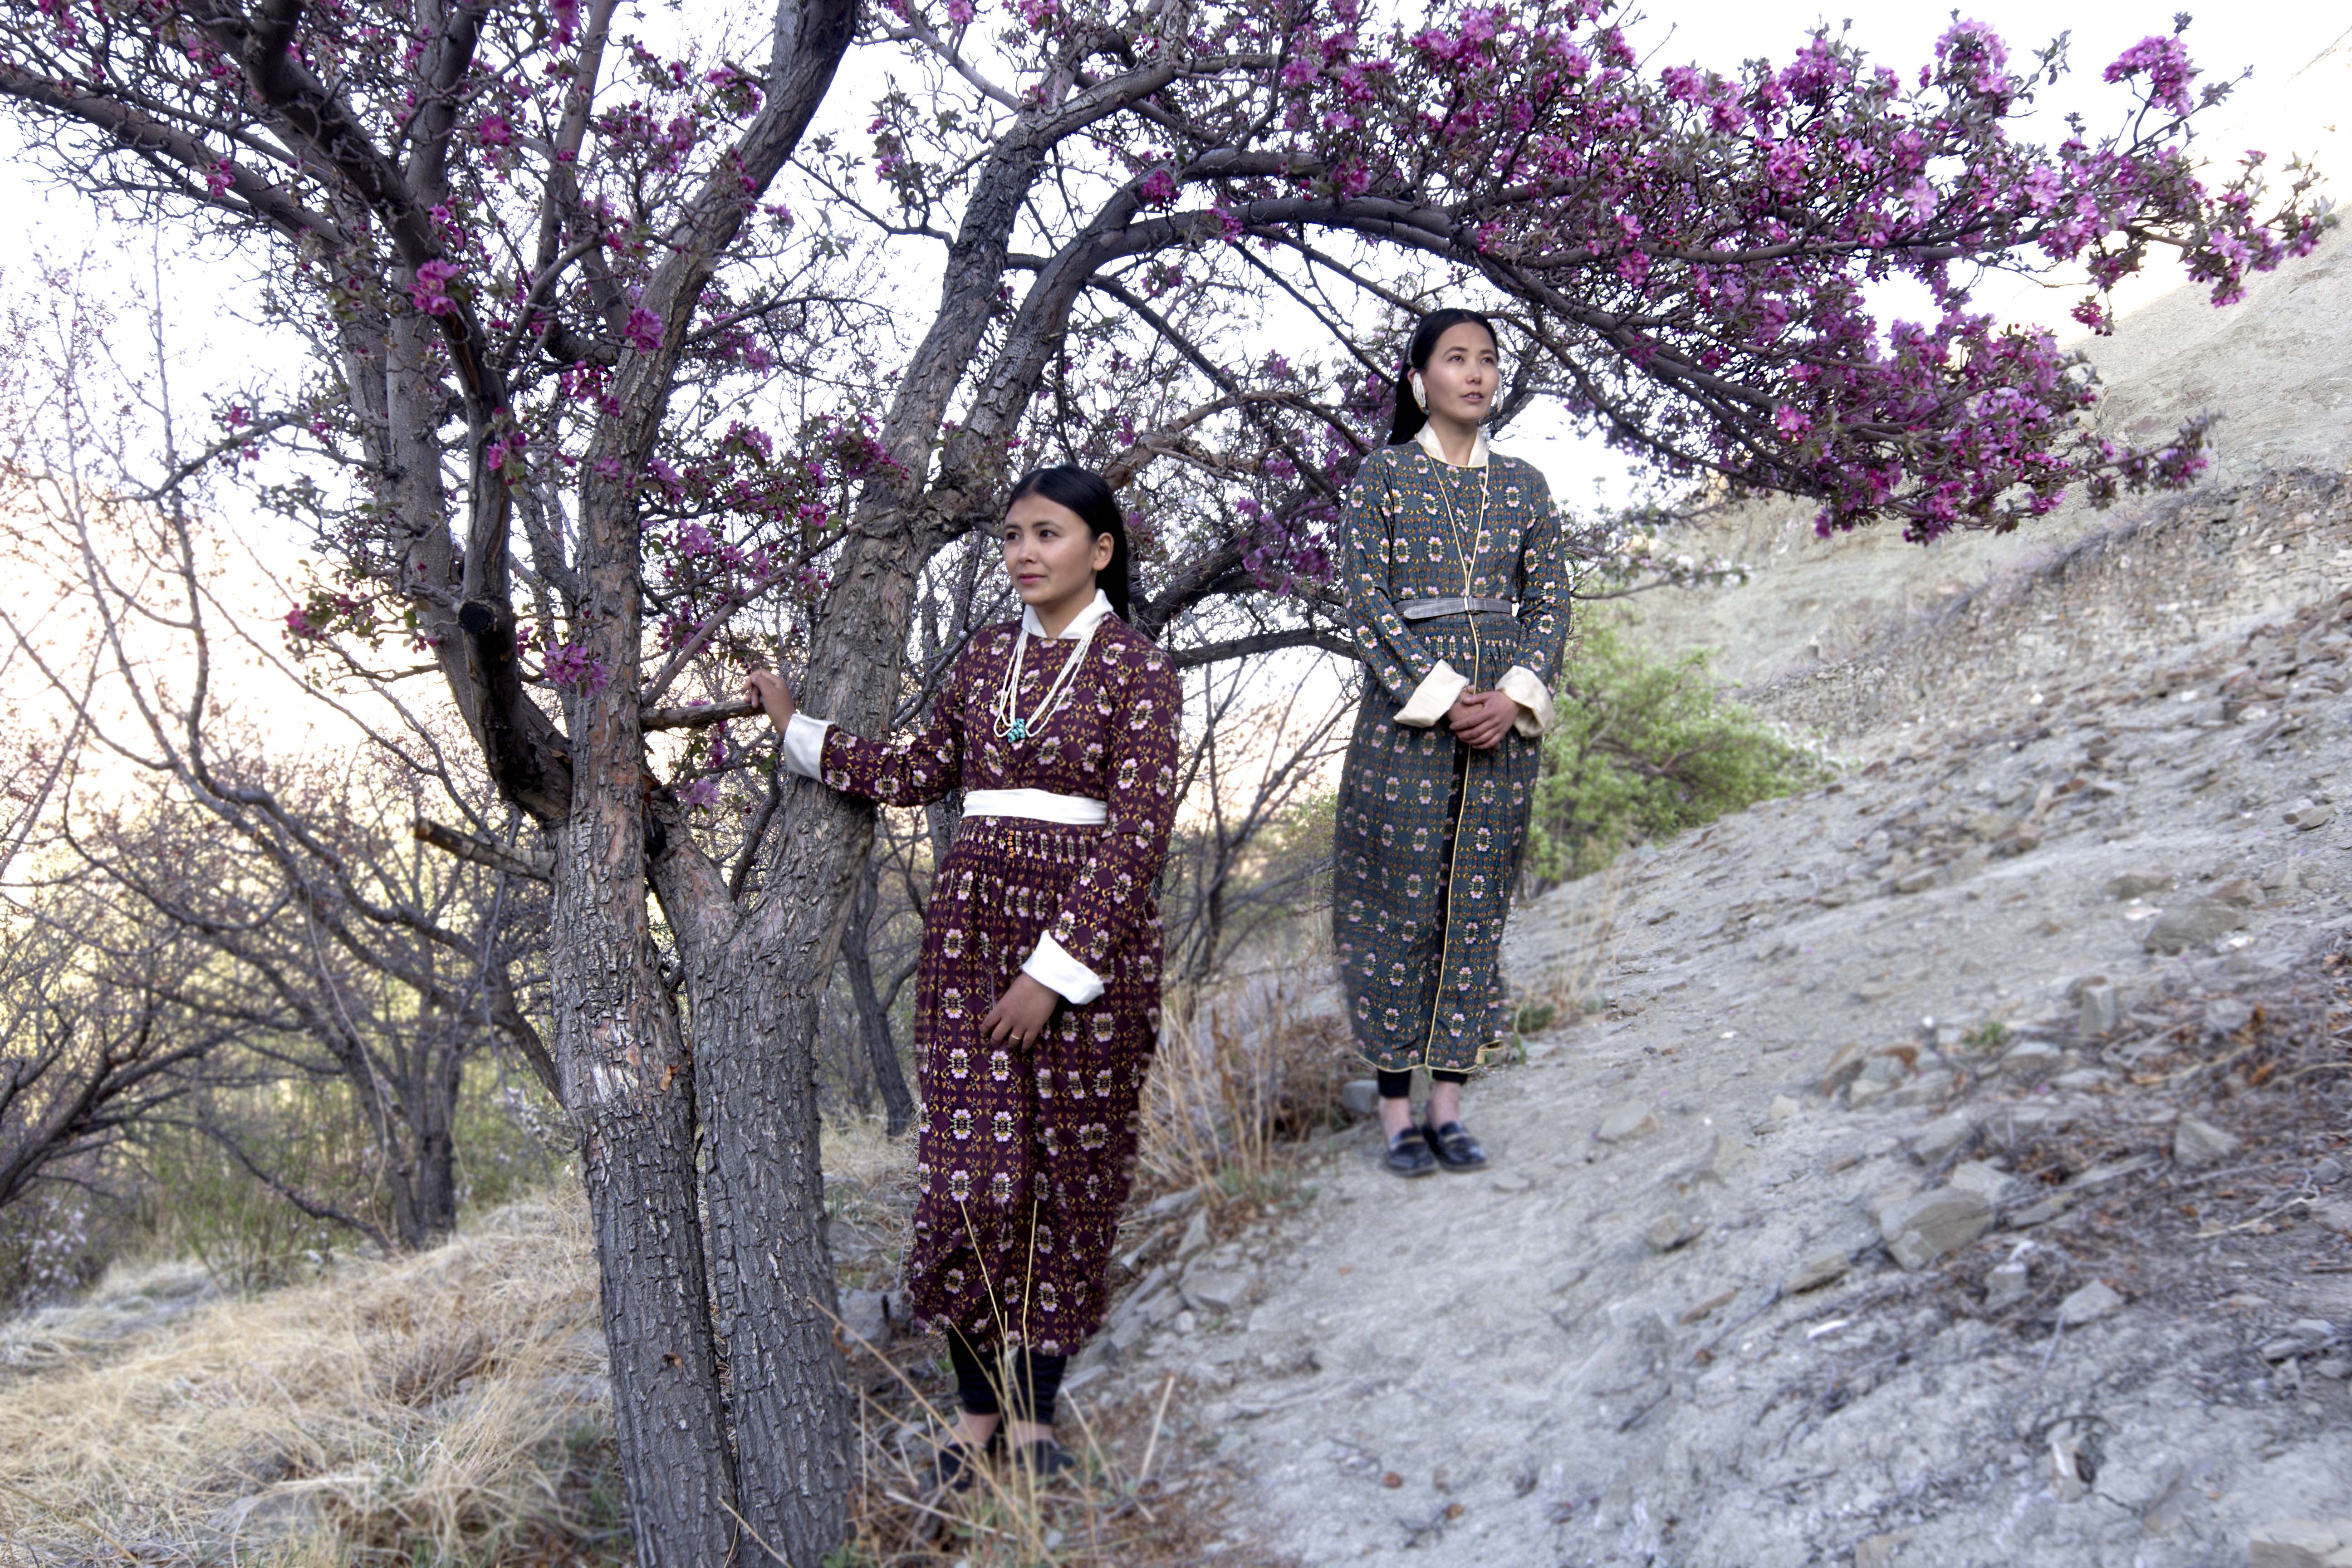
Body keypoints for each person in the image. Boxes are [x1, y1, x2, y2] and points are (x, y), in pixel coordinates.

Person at [746, 466, 1180, 1488]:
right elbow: (911, 771)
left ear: (1100, 550)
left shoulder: (1138, 668)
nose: (1026, 553)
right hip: (968, 947)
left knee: (1068, 1189)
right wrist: (796, 731)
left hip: (1088, 962)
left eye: (1049, 533)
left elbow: (1138, 839)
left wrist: (1054, 974)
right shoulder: (987, 659)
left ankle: (1034, 1423)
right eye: (1014, 537)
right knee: (970, 1185)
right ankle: (975, 1415)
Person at [1333, 307, 1573, 1178]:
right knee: (1399, 908)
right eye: (1455, 360)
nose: (1474, 374)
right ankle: (1396, 1110)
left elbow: (1552, 606)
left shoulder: (1527, 486)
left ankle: (1449, 1106)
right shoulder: (1382, 479)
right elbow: (1361, 598)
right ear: (1417, 380)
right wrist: (1441, 697)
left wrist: (1510, 699)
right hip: (1406, 733)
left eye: (1487, 361)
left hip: (1503, 738)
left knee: (1474, 907)